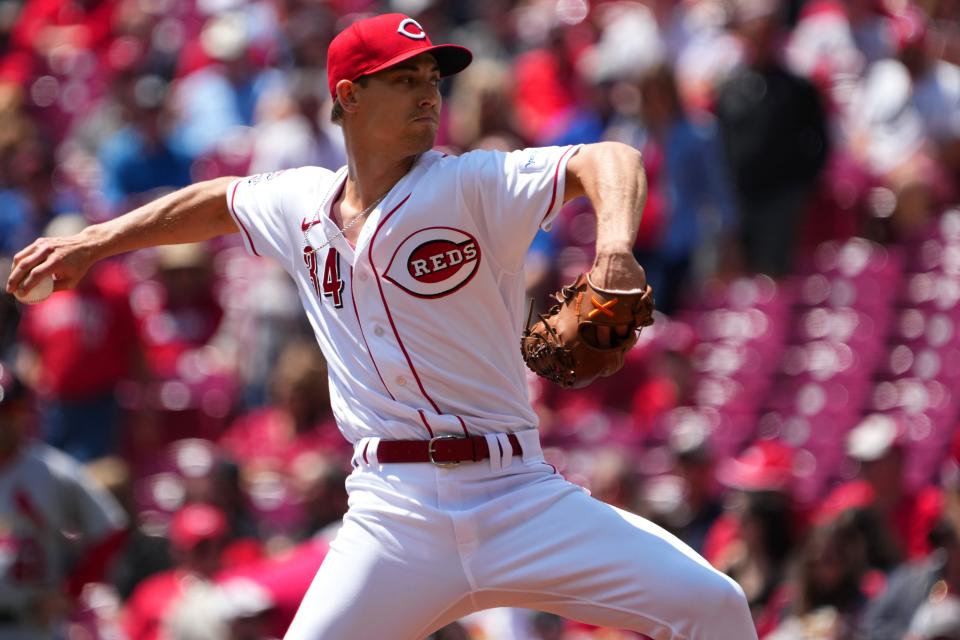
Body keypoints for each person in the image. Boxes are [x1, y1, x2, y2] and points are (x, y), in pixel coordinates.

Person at [6, 13, 755, 639]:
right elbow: (216, 200)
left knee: (715, 608)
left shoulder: (468, 184)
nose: (430, 95)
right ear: (349, 96)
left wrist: (616, 249)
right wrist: (92, 242)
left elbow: (610, 157)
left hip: (518, 494)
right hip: (393, 516)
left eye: (434, 79)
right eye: (405, 80)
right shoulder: (299, 203)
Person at [0, 362, 128, 639]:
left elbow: (110, 529)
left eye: (10, 409)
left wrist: (71, 592)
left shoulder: (51, 470)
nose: (4, 420)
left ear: (25, 411)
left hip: (32, 624)